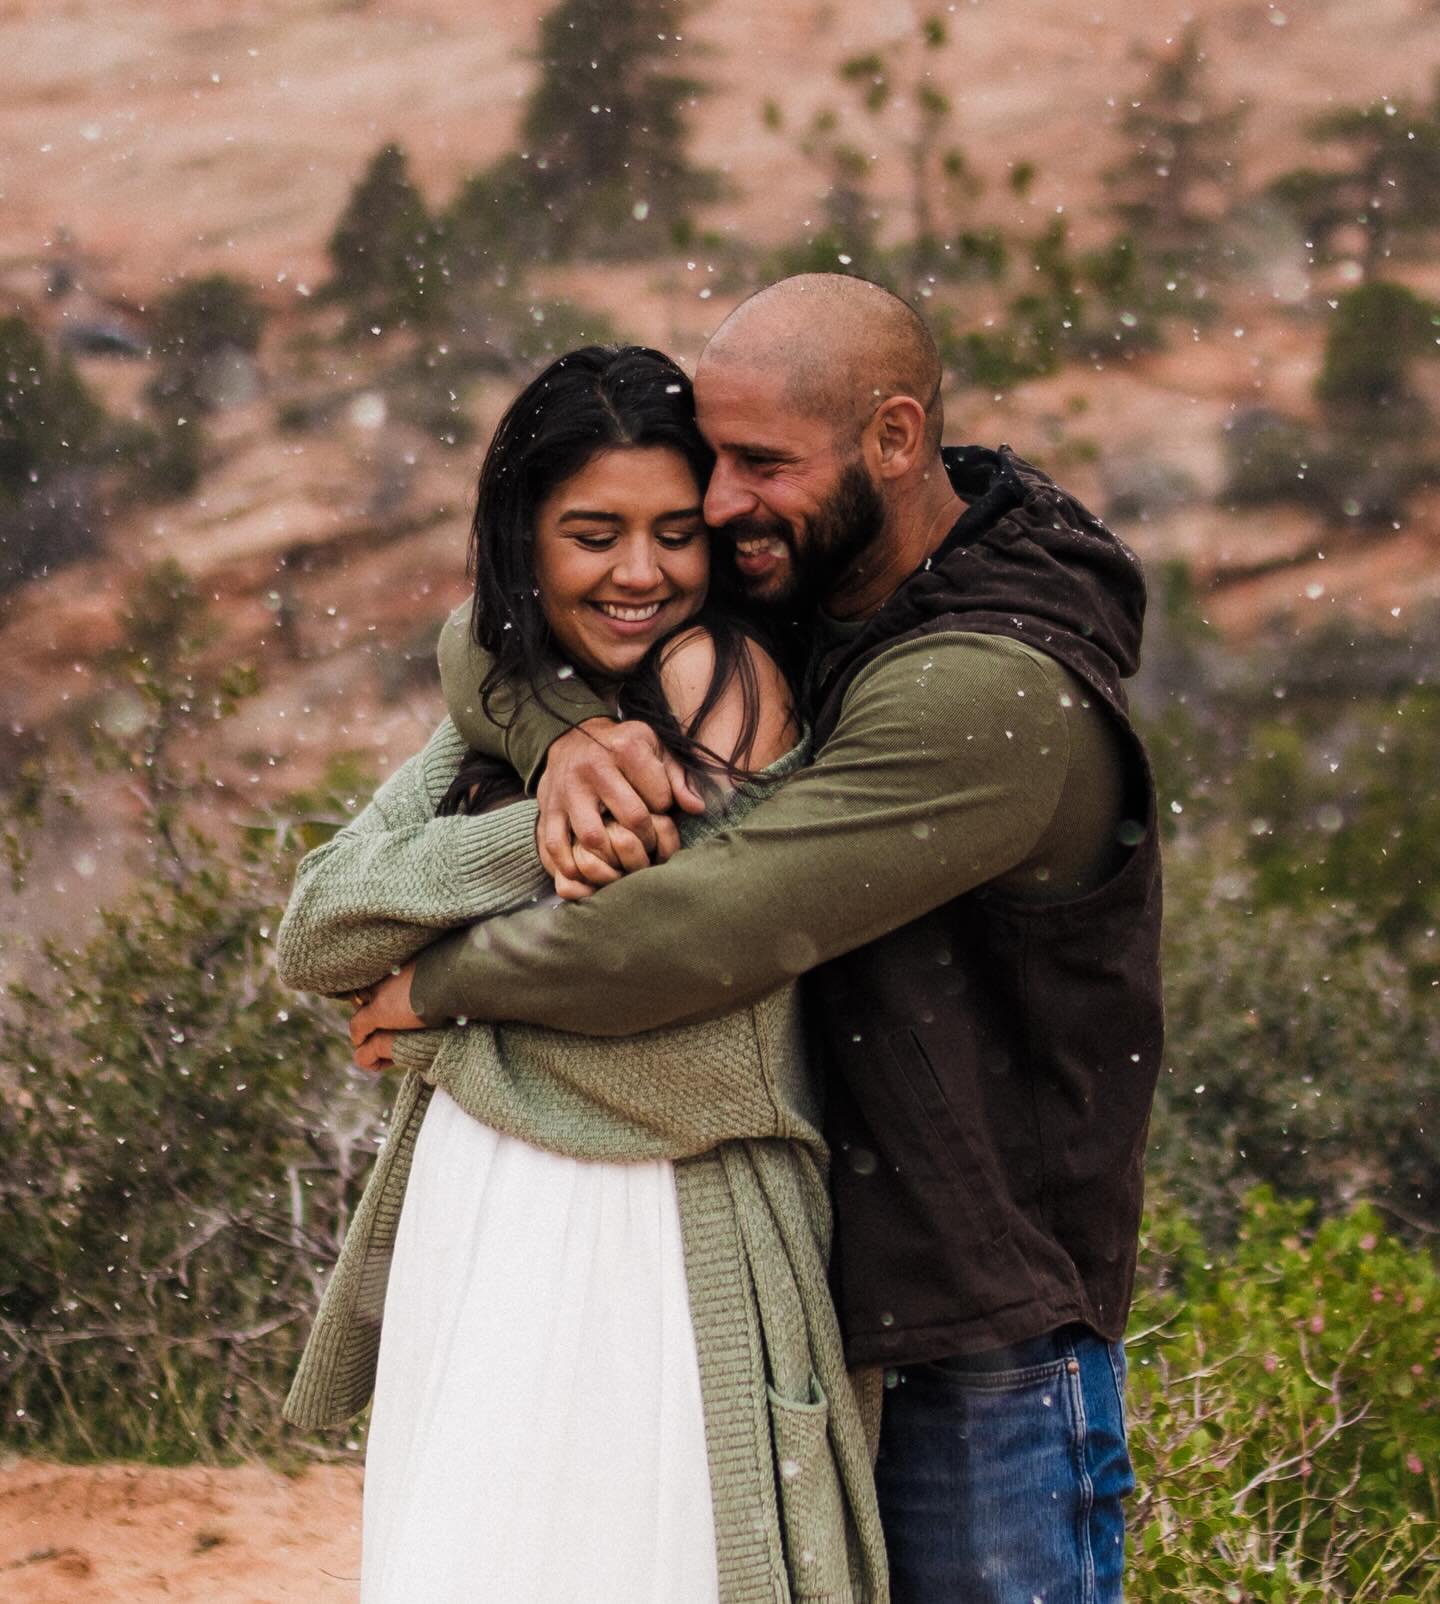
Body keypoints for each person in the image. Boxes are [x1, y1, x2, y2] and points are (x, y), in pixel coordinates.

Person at [351, 274, 1165, 1604]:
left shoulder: (982, 687)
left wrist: (437, 982)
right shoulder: (815, 575)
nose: (720, 506)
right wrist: (571, 741)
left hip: (985, 1351)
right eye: (713, 462)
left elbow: (701, 926)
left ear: (895, 439)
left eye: (758, 463)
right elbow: (496, 624)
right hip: (814, 1303)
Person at [277, 344, 888, 1604]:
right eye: (592, 532)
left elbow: (683, 1039)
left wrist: (433, 1010)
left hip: (659, 1230)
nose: (640, 571)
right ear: (525, 542)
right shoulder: (510, 707)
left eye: (675, 530)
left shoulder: (729, 683)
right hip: (485, 1217)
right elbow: (318, 930)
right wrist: (537, 811)